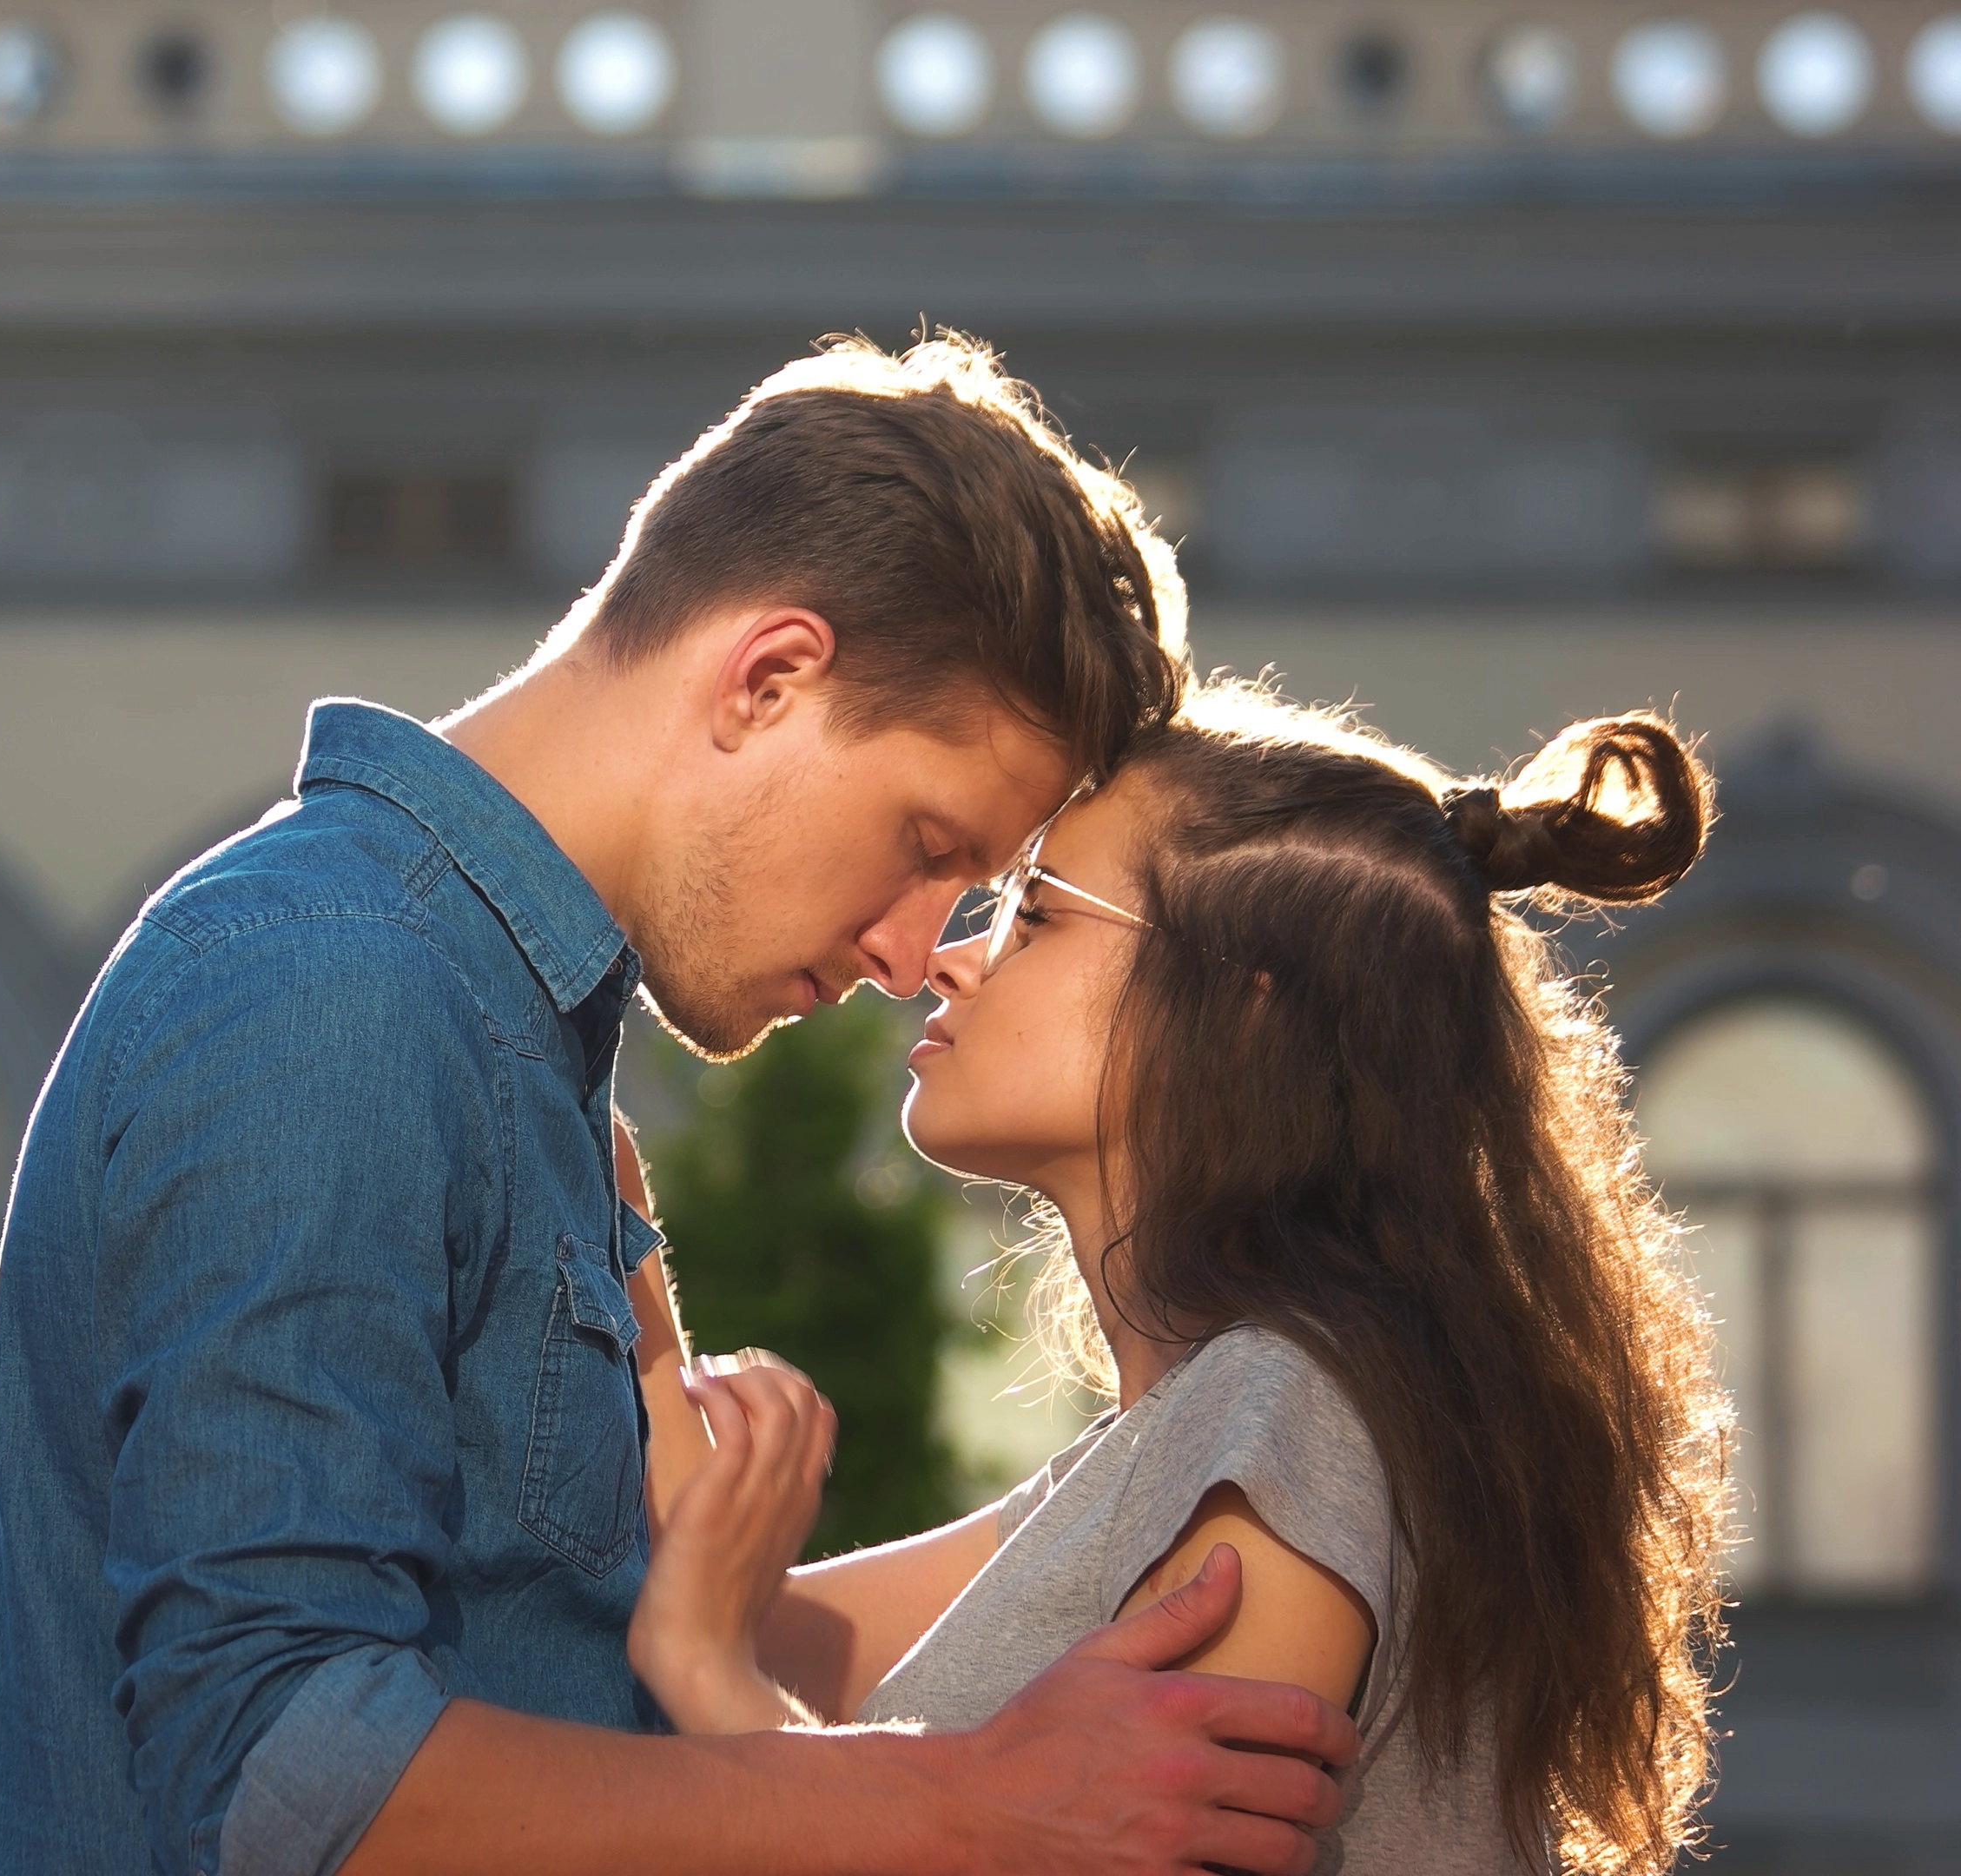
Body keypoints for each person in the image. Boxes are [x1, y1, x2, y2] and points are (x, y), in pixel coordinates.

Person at [0, 333, 1365, 1876]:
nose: (912, 956)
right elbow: (282, 1773)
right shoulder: (334, 984)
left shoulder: (488, 1027)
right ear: (769, 679)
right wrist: (958, 1803)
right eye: (929, 846)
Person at [626, 684, 1733, 1874]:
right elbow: (732, 1613)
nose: (946, 961)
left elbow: (716, 1655)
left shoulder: (1289, 1411)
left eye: (1034, 915)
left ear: (1244, 1012)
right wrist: (608, 1203)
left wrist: (707, 1674)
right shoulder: (1194, 1439)